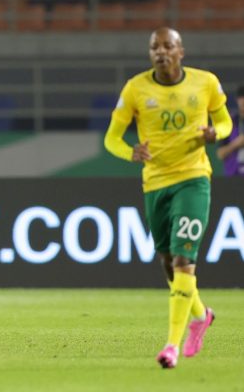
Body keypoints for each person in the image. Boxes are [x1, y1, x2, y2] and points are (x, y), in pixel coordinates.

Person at [104, 27, 232, 369]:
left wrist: (213, 133)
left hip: (193, 179)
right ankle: (201, 315)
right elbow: (111, 139)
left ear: (181, 51)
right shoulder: (135, 88)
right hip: (155, 183)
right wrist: (130, 152)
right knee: (166, 261)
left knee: (182, 260)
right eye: (154, 47)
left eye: (168, 46)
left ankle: (171, 345)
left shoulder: (205, 83)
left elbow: (225, 122)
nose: (161, 51)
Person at [216, 84, 244, 176]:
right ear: (237, 100)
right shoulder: (229, 122)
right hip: (233, 178)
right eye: (241, 97)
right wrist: (237, 143)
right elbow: (220, 154)